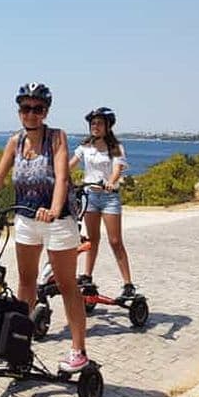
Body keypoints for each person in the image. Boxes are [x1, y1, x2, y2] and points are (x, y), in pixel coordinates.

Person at [0, 83, 89, 373]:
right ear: (19, 112)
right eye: (26, 108)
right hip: (26, 220)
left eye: (37, 108)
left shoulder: (56, 138)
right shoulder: (14, 142)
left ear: (46, 111)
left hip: (58, 222)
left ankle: (78, 350)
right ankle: (17, 343)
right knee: (26, 282)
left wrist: (53, 209)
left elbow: (62, 177)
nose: (31, 114)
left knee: (67, 286)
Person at [70, 107, 135, 300]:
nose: (95, 127)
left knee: (115, 241)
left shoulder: (116, 147)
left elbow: (117, 169)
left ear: (108, 126)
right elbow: (71, 163)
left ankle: (128, 283)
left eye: (99, 123)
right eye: (92, 123)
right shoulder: (85, 147)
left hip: (109, 197)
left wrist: (111, 182)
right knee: (92, 240)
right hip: (90, 196)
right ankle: (87, 276)